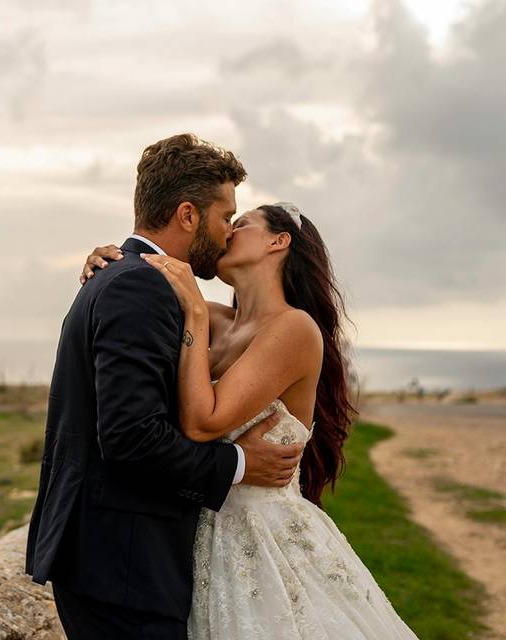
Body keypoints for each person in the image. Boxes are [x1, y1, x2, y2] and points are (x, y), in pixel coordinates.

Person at [79, 201, 418, 638]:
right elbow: (141, 276)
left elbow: (203, 423)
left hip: (268, 543)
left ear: (278, 242)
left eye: (241, 224)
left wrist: (197, 316)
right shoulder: (218, 320)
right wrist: (108, 261)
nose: (227, 233)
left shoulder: (294, 329)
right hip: (198, 539)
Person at [25, 133, 306, 640]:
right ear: (187, 215)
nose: (226, 234)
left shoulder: (131, 279)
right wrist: (240, 464)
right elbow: (132, 438)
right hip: (123, 566)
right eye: (226, 218)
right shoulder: (138, 285)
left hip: (119, 560)